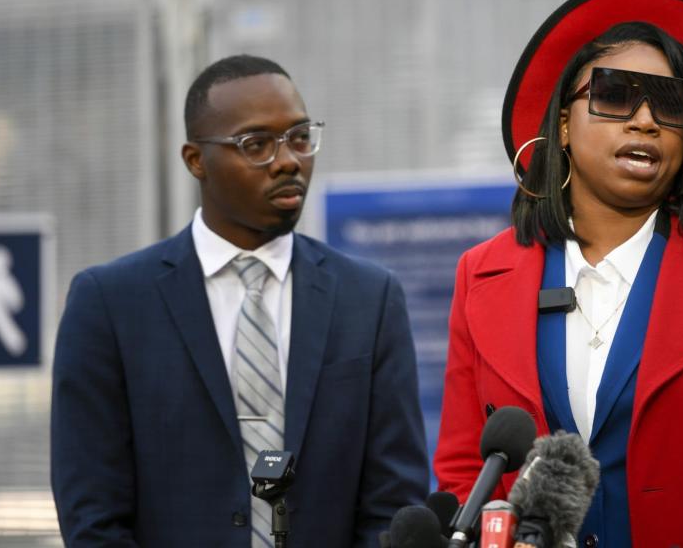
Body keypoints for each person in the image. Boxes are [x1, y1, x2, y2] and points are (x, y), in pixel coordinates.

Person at [434, 0, 683, 547]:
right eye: (615, 95)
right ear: (563, 125)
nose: (645, 120)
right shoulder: (482, 272)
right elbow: (465, 470)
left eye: (670, 103)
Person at [51, 54, 429, 547]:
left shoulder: (369, 298)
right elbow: (92, 514)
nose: (289, 160)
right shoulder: (109, 304)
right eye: (257, 145)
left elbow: (394, 502)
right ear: (195, 160)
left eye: (299, 137)